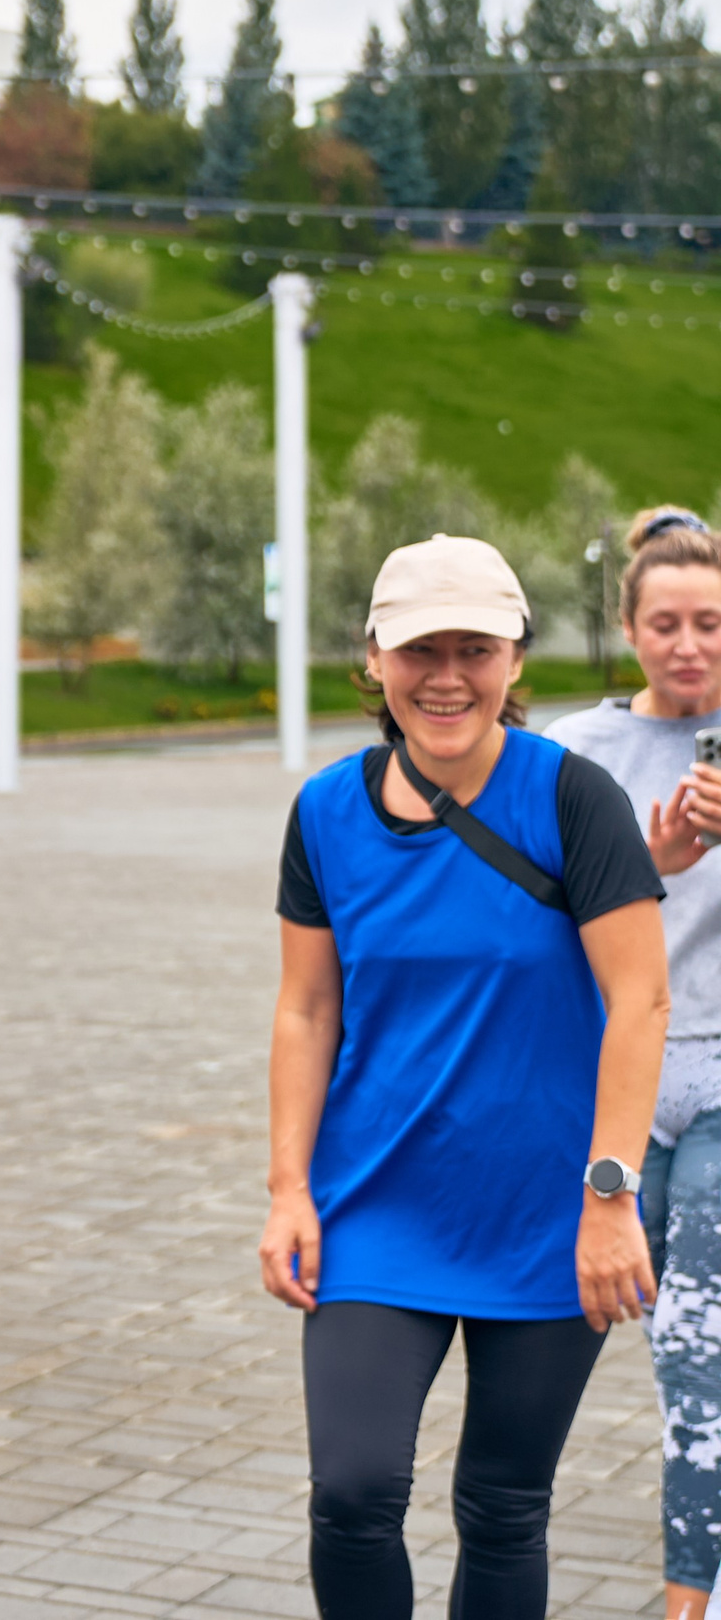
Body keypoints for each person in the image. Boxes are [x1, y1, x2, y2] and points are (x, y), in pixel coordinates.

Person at [260, 533, 669, 1620]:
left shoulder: (572, 798)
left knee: (501, 1504)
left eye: (474, 650)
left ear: (515, 659)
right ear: (375, 658)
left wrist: (610, 1196)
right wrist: (288, 1189)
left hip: (548, 1212)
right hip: (374, 1206)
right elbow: (306, 1009)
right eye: (420, 650)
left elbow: (641, 1001)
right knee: (352, 1494)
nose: (446, 678)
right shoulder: (324, 813)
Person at [545, 506, 721, 1620]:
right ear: (628, 628)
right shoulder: (576, 752)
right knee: (659, 1346)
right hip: (619, 1083)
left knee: (696, 1348)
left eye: (711, 623)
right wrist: (644, 868)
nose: (689, 645)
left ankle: (686, 1599)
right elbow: (534, 928)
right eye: (666, 624)